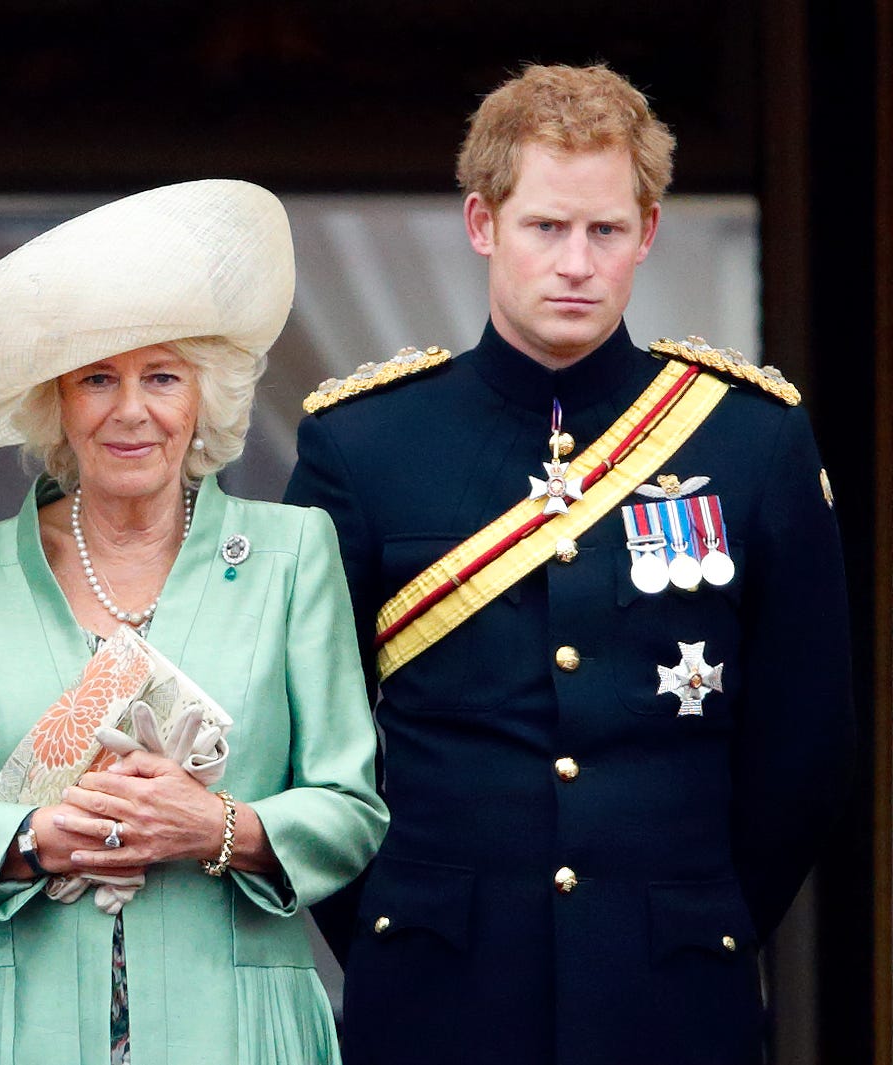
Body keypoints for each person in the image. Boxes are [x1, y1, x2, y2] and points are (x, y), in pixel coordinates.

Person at [285, 64, 855, 1065]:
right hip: (434, 984)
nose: (577, 263)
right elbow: (301, 725)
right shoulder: (365, 445)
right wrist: (392, 924)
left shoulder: (751, 440)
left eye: (604, 231)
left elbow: (802, 747)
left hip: (671, 987)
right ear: (481, 224)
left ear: (647, 233)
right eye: (546, 227)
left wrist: (697, 920)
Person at [0, 180, 388, 1065]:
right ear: (55, 401)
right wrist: (34, 838)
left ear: (203, 398)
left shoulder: (293, 554)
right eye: (97, 377)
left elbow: (349, 808)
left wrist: (213, 826)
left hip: (238, 1028)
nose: (130, 409)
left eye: (163, 377)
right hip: (11, 1029)